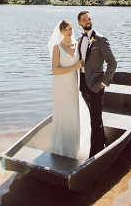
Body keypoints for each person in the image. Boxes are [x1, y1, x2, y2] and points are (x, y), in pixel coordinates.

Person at [77, 10, 117, 158]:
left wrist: (103, 83)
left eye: (89, 19)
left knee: (95, 120)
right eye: (84, 19)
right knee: (93, 117)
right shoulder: (80, 39)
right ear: (80, 23)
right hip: (83, 85)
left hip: (96, 86)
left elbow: (112, 63)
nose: (88, 21)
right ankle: (103, 141)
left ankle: (94, 154)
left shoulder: (100, 39)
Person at [47, 19, 84, 159]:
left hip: (73, 86)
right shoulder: (57, 47)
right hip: (60, 87)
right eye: (66, 30)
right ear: (61, 32)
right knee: (63, 116)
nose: (69, 32)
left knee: (73, 116)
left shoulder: (78, 44)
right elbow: (55, 70)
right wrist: (75, 67)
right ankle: (61, 150)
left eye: (71, 29)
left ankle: (73, 150)